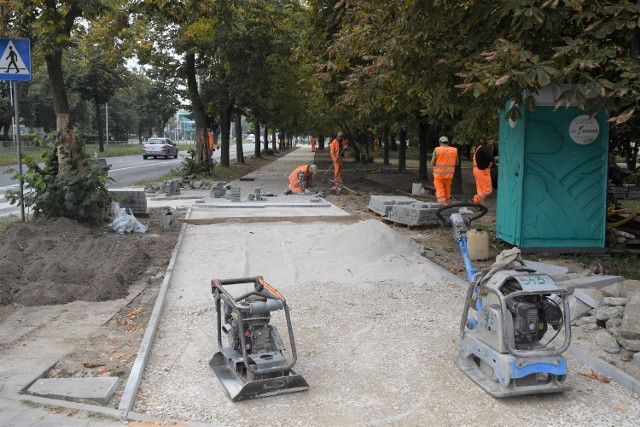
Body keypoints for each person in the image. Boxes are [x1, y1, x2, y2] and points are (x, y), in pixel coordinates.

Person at [431, 135, 458, 205]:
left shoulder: (437, 150)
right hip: (449, 175)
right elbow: (457, 163)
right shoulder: (454, 150)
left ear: (440, 142)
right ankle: (446, 203)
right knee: (447, 190)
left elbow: (432, 162)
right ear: (448, 143)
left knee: (440, 190)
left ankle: (442, 205)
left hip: (438, 175)